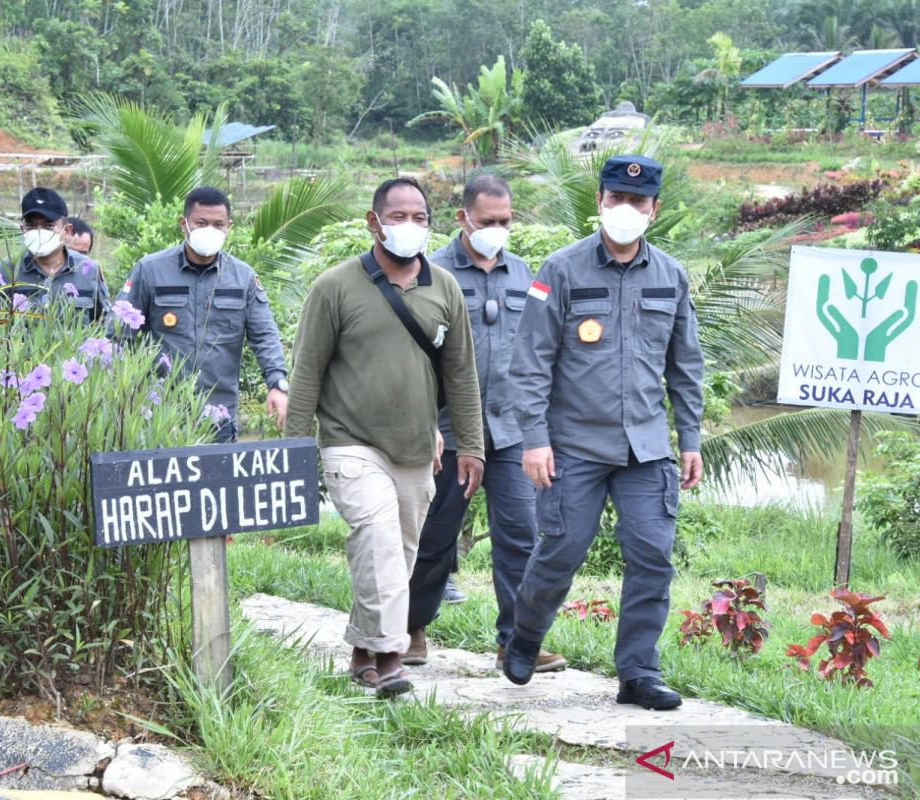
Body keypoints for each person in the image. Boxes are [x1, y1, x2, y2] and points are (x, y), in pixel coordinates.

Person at [502, 156, 704, 711]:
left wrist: (690, 438)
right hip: (573, 446)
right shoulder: (560, 270)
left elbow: (685, 366)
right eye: (616, 199)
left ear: (654, 210)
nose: (626, 210)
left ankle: (639, 672)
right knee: (562, 550)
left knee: (652, 556)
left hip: (646, 448)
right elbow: (531, 362)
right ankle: (525, 634)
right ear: (599, 201)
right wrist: (535, 440)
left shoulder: (671, 275)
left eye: (638, 202)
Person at [286, 177, 485, 697]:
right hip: (351, 441)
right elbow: (306, 373)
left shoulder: (445, 288)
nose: (410, 226)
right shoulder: (334, 286)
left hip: (418, 447)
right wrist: (288, 452)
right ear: (373, 223)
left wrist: (471, 445)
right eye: (398, 217)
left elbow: (461, 375)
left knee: (396, 553)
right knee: (376, 541)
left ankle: (361, 650)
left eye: (420, 217)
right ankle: (392, 658)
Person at [404, 174, 566, 674]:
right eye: (488, 221)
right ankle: (411, 629)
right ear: (463, 219)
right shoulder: (431, 273)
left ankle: (516, 642)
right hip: (451, 430)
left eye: (505, 221)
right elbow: (416, 353)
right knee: (435, 534)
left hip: (513, 431)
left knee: (521, 534)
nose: (498, 229)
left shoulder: (527, 275)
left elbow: (543, 348)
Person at [115, 186, 288, 443]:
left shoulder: (243, 278)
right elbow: (119, 334)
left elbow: (264, 335)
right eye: (201, 222)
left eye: (218, 224)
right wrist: (120, 391)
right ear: (184, 224)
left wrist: (277, 383)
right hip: (159, 413)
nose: (210, 230)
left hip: (218, 414)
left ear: (229, 226)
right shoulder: (150, 270)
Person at [0, 187, 109, 320]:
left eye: (48, 226)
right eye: (31, 226)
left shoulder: (89, 271)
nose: (39, 232)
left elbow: (105, 321)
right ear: (22, 230)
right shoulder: (2, 272)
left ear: (67, 231)